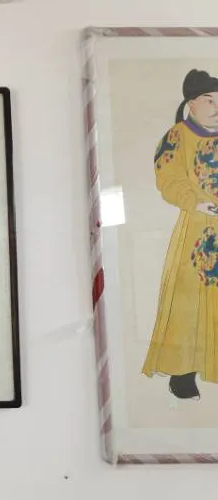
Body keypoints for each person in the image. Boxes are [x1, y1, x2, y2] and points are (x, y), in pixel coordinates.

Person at [141, 69, 218, 399]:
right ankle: (183, 372)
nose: (216, 107)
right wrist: (196, 202)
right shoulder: (177, 136)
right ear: (191, 104)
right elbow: (169, 178)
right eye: (208, 100)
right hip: (197, 229)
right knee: (188, 301)